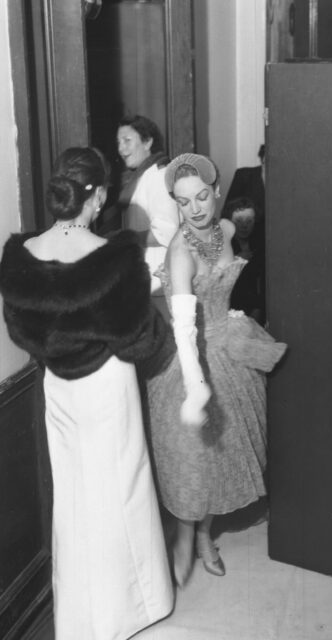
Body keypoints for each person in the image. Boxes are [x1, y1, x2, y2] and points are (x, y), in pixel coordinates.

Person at [0, 147, 175, 640]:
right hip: (107, 384)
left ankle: (80, 619)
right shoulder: (115, 257)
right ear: (96, 196)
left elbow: (21, 332)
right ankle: (132, 609)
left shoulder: (20, 257)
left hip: (58, 386)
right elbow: (142, 340)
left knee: (74, 495)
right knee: (122, 489)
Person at [146, 153, 287, 586]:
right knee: (194, 459)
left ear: (217, 192)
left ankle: (204, 531)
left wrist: (246, 220)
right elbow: (185, 330)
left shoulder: (225, 230)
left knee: (228, 448)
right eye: (184, 202)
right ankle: (193, 538)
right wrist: (197, 386)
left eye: (202, 197)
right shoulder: (180, 253)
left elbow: (241, 229)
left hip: (230, 339)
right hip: (191, 357)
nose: (195, 209)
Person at [116, 115, 179, 315]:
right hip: (144, 279)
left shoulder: (160, 175)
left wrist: (124, 239)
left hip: (157, 283)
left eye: (127, 141)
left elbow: (167, 232)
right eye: (118, 143)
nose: (121, 149)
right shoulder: (142, 175)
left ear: (148, 142)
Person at [221, 196, 266, 324]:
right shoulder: (223, 245)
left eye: (249, 221)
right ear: (229, 221)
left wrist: (258, 307)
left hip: (258, 308)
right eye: (238, 221)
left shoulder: (261, 243)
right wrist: (236, 260)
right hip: (231, 310)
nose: (244, 226)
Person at [223, 143, 266, 219]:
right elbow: (228, 210)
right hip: (247, 228)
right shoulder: (243, 175)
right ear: (263, 158)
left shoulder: (285, 180)